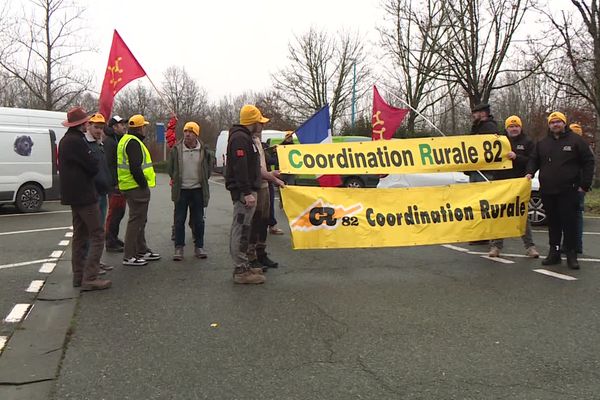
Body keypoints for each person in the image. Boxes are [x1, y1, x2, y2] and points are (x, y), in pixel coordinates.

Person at [526, 112, 595, 269]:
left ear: (564, 123)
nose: (555, 124)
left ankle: (571, 254)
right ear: (549, 125)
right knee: (554, 224)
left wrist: (585, 184)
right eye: (552, 122)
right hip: (548, 191)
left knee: (569, 223)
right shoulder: (543, 143)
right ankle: (554, 252)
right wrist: (530, 172)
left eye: (558, 122)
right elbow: (534, 160)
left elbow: (588, 162)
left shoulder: (576, 141)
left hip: (569, 190)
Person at [58, 107, 111, 291]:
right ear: (81, 124)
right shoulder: (77, 142)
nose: (87, 125)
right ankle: (91, 276)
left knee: (80, 236)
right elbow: (92, 166)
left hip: (73, 196)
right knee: (97, 234)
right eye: (86, 122)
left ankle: (78, 276)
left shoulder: (65, 140)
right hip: (85, 195)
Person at [225, 105, 271, 284]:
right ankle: (240, 270)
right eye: (259, 122)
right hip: (245, 193)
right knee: (241, 229)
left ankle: (244, 265)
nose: (261, 125)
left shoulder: (245, 137)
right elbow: (240, 167)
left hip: (249, 190)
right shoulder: (239, 139)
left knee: (245, 228)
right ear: (253, 122)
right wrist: (246, 192)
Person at [488, 115, 540, 258]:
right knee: (499, 215)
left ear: (520, 127)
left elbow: (533, 160)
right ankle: (496, 247)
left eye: (516, 126)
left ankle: (530, 247)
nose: (514, 128)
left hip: (518, 184)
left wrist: (517, 157)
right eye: (511, 126)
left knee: (522, 215)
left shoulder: (528, 142)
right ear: (506, 128)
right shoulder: (498, 141)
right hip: (500, 183)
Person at [117, 114, 160, 266]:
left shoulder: (125, 140)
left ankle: (141, 250)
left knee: (140, 219)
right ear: (140, 128)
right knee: (136, 221)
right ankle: (129, 255)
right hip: (135, 187)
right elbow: (135, 167)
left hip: (128, 185)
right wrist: (143, 184)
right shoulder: (134, 143)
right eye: (144, 127)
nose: (145, 129)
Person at [167, 121, 212, 261]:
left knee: (199, 220)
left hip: (198, 190)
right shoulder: (176, 149)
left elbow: (208, 169)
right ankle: (179, 248)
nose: (187, 134)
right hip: (181, 190)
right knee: (179, 220)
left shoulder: (204, 150)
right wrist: (176, 179)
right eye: (186, 131)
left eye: (191, 132)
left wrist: (203, 180)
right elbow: (170, 169)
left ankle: (199, 246)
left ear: (196, 135)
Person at [247, 123, 285, 272]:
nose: (262, 127)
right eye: (259, 124)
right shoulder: (247, 141)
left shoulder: (258, 142)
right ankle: (252, 256)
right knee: (254, 222)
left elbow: (266, 162)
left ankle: (261, 253)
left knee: (264, 220)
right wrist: (273, 177)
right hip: (256, 185)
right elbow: (255, 167)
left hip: (265, 185)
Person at [85, 113, 114, 273]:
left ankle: (96, 260)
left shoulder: (99, 144)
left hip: (102, 192)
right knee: (93, 231)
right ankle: (91, 265)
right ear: (88, 125)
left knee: (99, 229)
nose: (98, 130)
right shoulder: (86, 145)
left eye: (101, 128)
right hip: (93, 194)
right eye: (96, 127)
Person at [469, 103, 499, 245]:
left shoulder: (489, 127)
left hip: (485, 171)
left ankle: (487, 233)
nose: (473, 115)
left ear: (483, 113)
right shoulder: (476, 127)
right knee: (477, 202)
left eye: (475, 112)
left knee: (484, 203)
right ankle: (480, 234)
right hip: (476, 169)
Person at [561, 123, 588, 254]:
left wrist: (583, 186)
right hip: (571, 186)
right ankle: (570, 244)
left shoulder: (581, 147)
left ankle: (575, 245)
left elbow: (588, 167)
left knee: (575, 216)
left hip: (577, 187)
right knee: (570, 216)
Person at [103, 115, 128, 252]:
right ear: (114, 127)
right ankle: (110, 241)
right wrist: (115, 183)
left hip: (120, 183)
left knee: (120, 212)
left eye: (124, 124)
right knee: (114, 213)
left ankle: (114, 237)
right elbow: (109, 165)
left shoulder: (118, 140)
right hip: (114, 185)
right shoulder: (110, 143)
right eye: (120, 124)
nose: (124, 126)